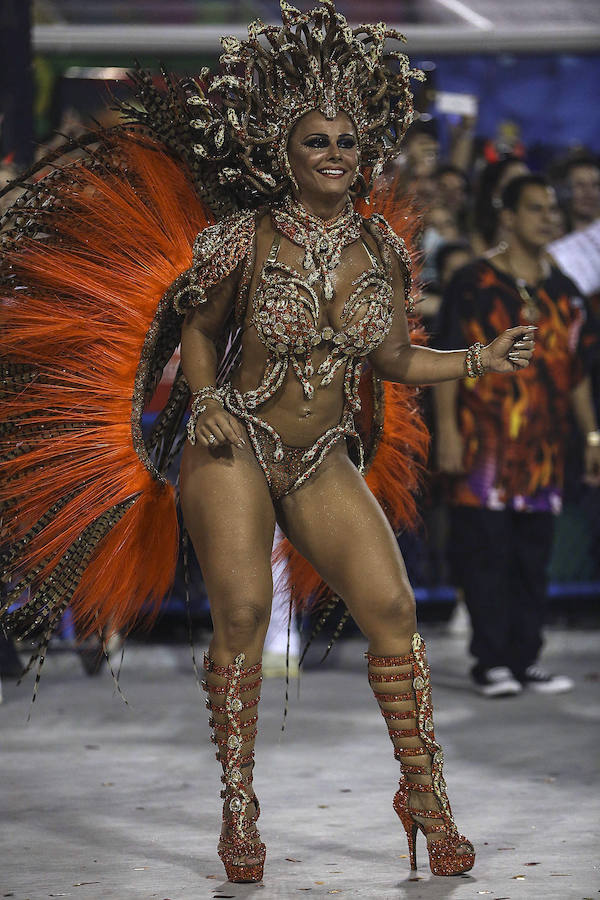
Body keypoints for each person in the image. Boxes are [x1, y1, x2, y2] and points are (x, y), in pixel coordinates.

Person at [1, 1, 537, 886]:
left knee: (394, 611)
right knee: (243, 613)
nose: (334, 155)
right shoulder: (239, 241)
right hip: (235, 443)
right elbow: (196, 327)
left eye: (347, 142)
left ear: (365, 149)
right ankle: (240, 803)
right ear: (282, 153)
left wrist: (479, 357)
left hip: (321, 450)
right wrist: (204, 399)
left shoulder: (382, 250)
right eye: (315, 141)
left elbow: (395, 356)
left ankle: (425, 793)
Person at [433, 174, 600, 698]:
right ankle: (491, 663)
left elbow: (575, 373)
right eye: (535, 208)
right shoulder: (474, 282)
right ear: (507, 216)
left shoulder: (565, 290)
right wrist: (447, 434)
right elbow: (448, 362)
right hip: (483, 445)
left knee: (533, 556)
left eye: (553, 209)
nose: (549, 218)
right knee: (486, 553)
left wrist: (592, 438)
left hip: (545, 451)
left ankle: (526, 660)